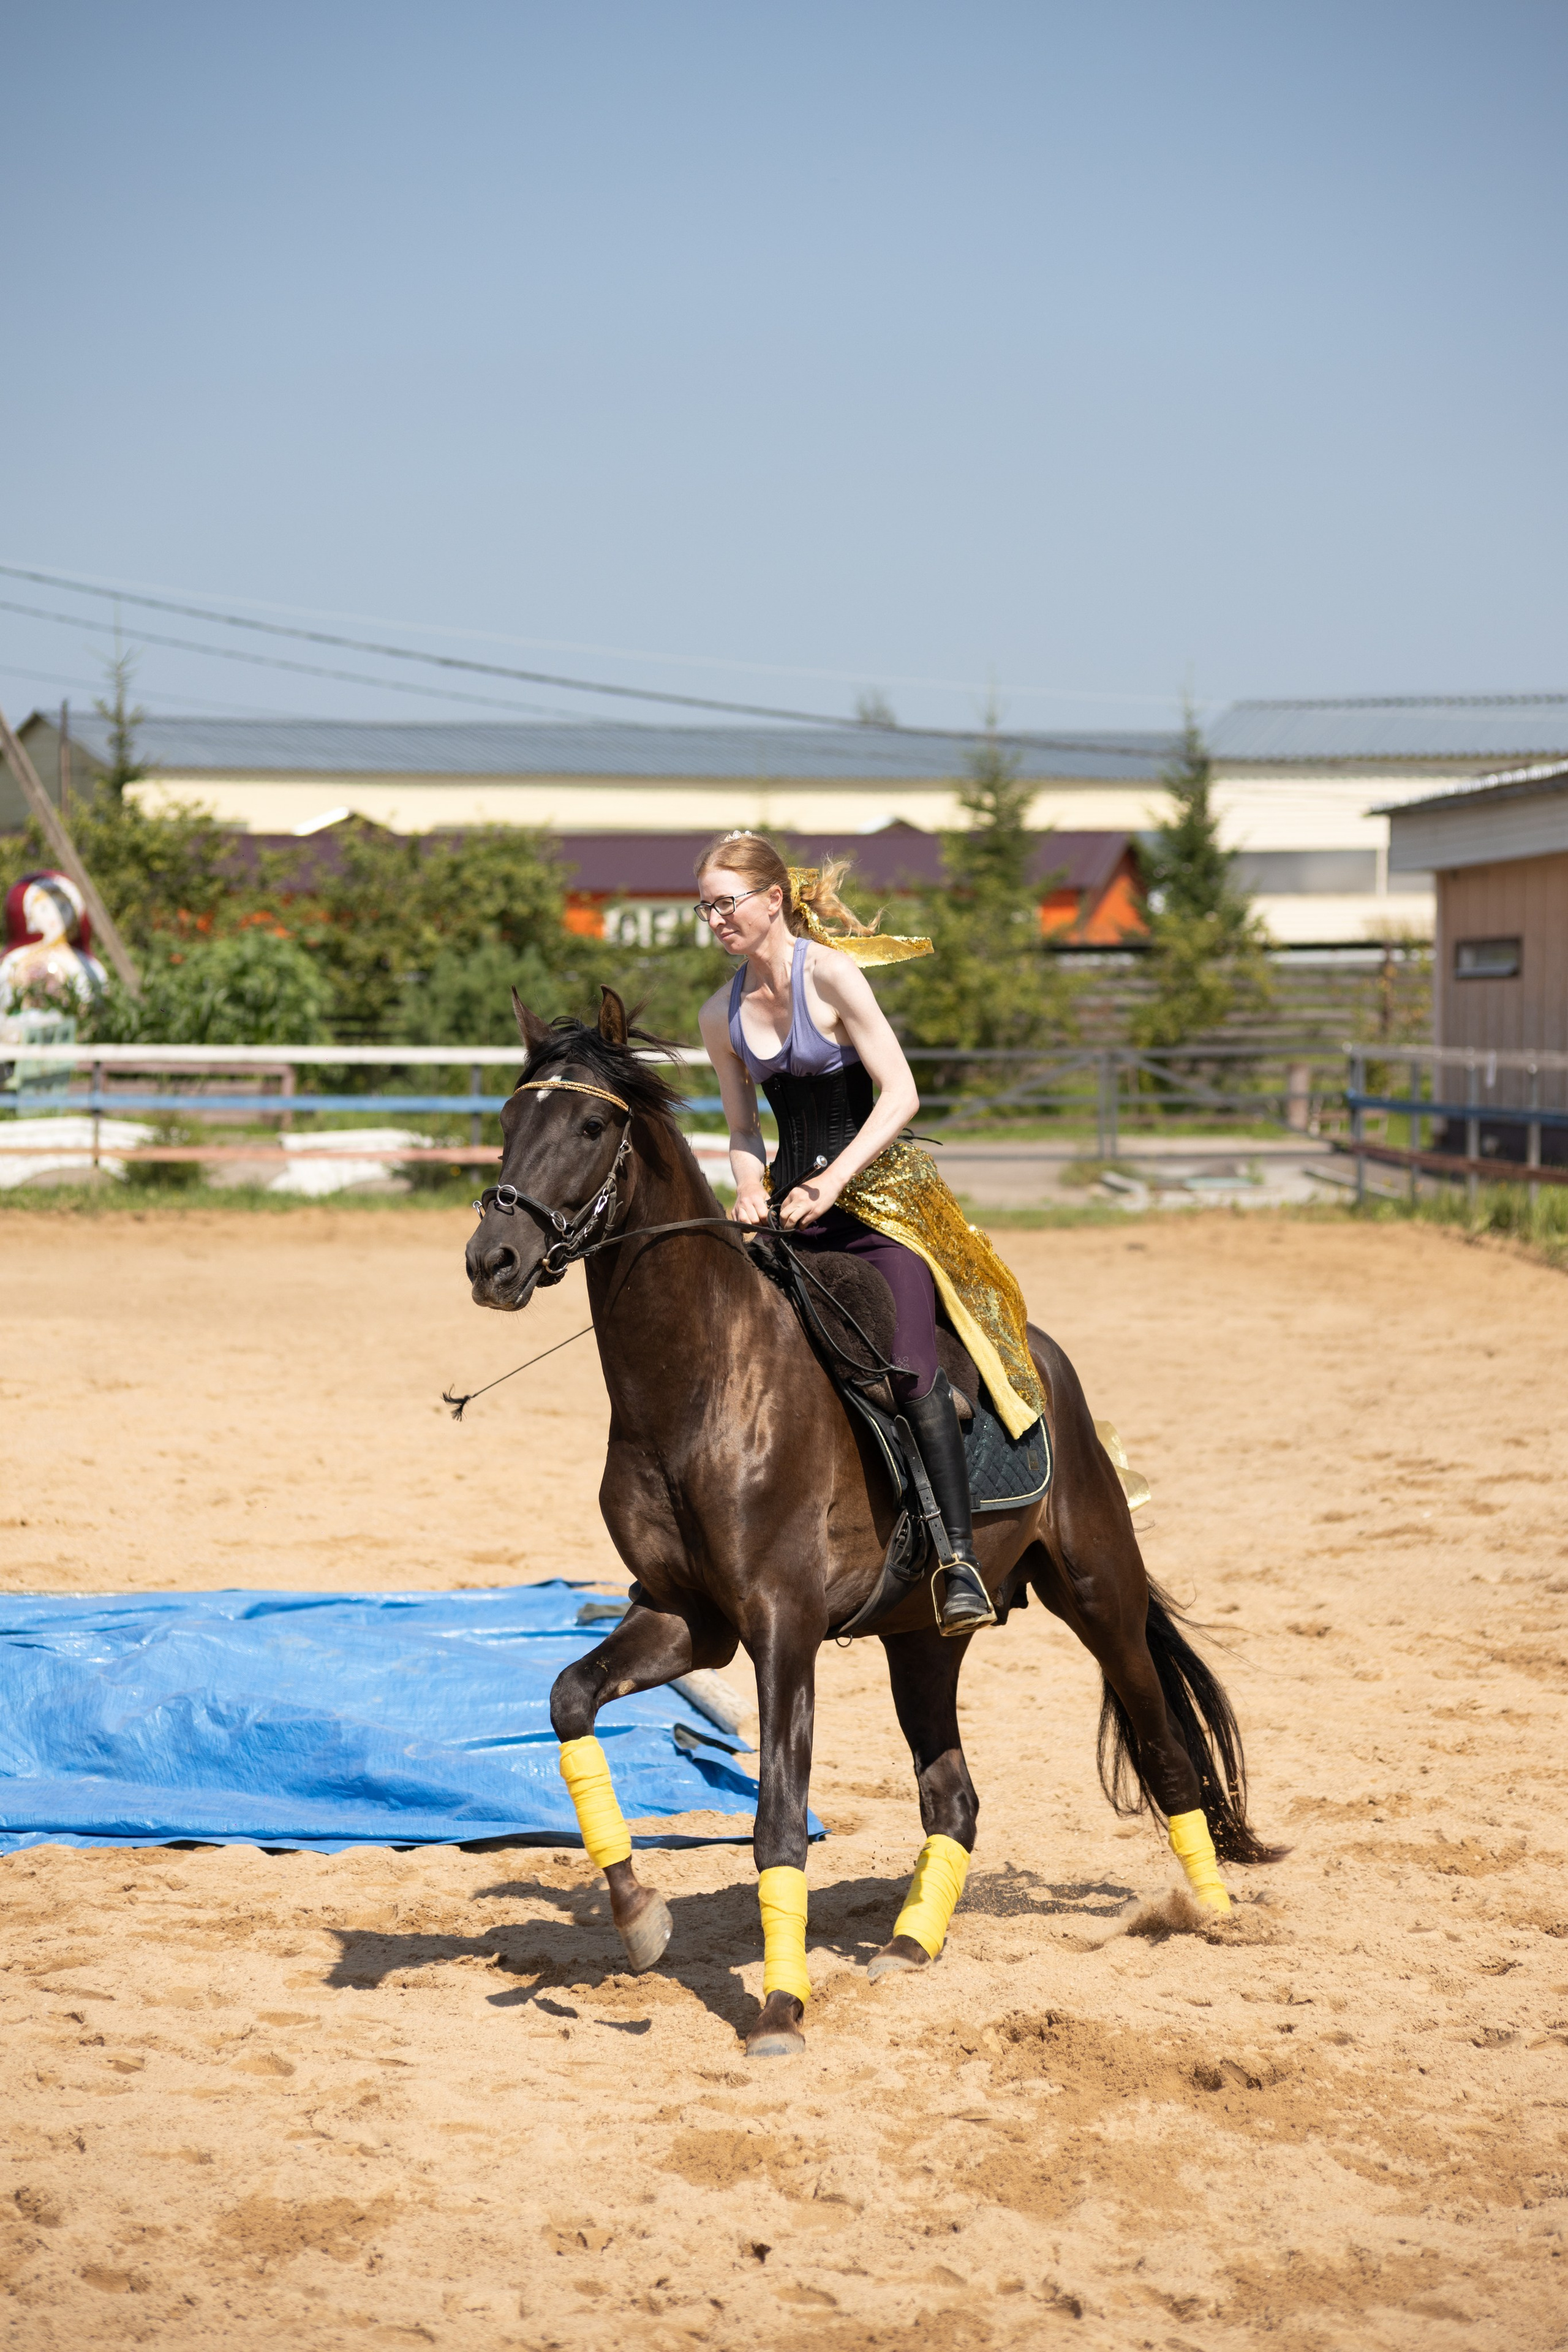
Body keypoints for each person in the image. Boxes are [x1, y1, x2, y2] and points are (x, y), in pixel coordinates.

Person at [695, 831, 1047, 1637]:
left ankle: (959, 1561)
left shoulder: (831, 975)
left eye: (726, 903)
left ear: (772, 899)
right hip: (792, 1210)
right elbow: (743, 1128)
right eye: (704, 907)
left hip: (885, 1202)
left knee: (912, 1364)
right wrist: (750, 1183)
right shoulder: (720, 1013)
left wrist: (832, 1180)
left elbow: (901, 1096)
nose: (714, 919)